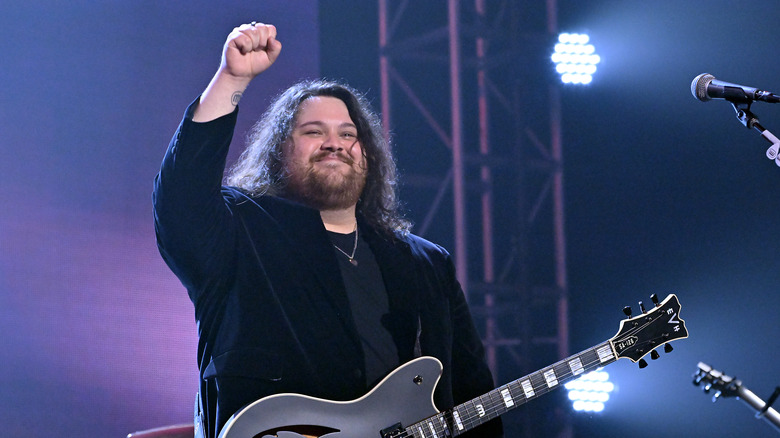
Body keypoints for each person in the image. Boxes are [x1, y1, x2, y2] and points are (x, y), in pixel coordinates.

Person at [153, 22, 503, 438]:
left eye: (348, 134)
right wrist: (233, 78)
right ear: (279, 152)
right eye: (313, 132)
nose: (334, 143)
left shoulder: (425, 263)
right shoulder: (241, 232)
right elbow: (181, 200)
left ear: (368, 157)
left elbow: (470, 391)